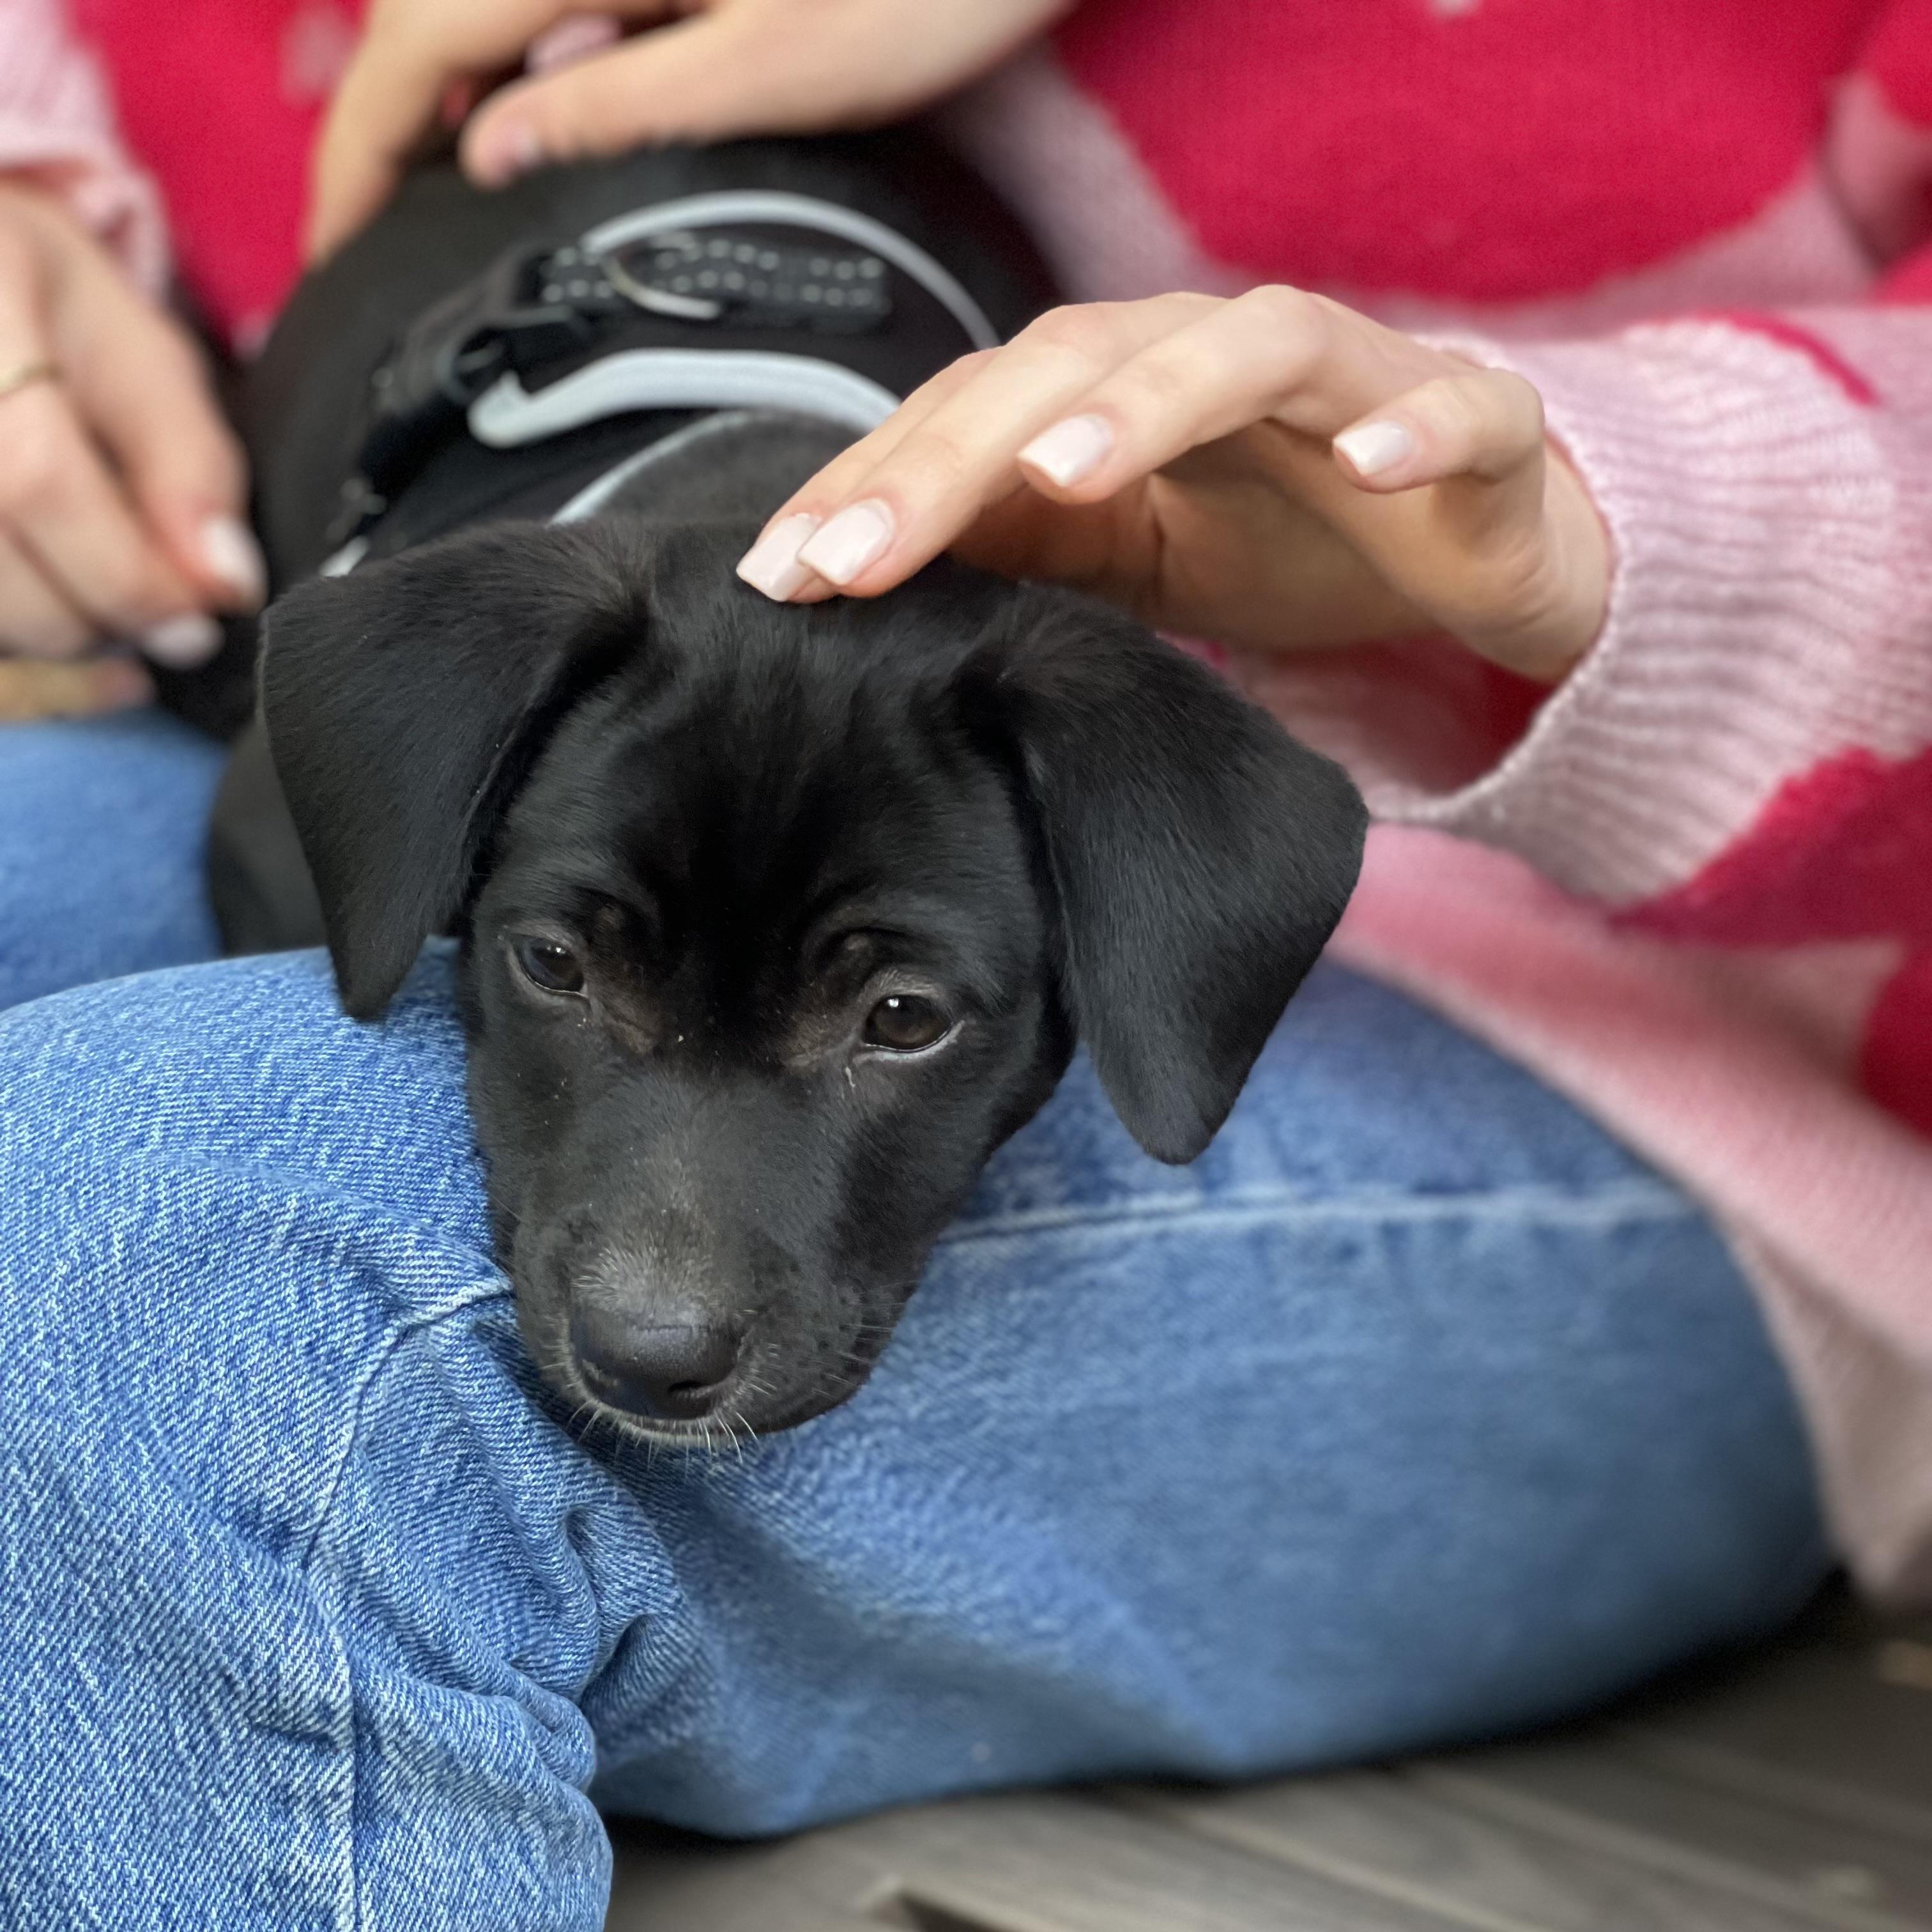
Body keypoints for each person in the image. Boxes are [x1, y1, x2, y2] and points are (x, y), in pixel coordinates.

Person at [1, 0, 1927, 1920]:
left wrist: (1569, 543)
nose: (656, 1304)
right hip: (407, 611)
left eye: (896, 1013)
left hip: (1586, 1001)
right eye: (576, 965)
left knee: (178, 1257)